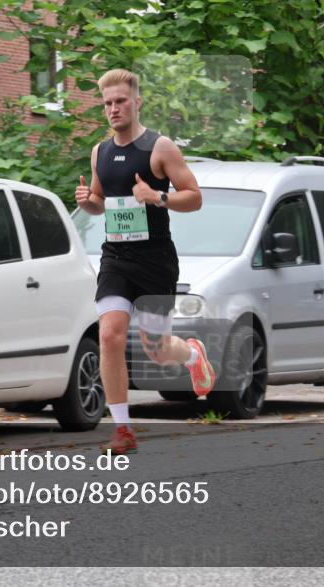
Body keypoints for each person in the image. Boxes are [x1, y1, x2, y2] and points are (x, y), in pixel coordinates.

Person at [74, 68, 215, 454]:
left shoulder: (160, 148)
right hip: (116, 257)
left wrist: (157, 197)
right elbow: (101, 203)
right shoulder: (99, 151)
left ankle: (190, 353)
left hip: (155, 261)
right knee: (110, 334)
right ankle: (123, 430)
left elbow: (195, 196)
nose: (114, 109)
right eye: (107, 104)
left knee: (155, 348)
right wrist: (88, 201)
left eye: (120, 101)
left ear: (137, 102)